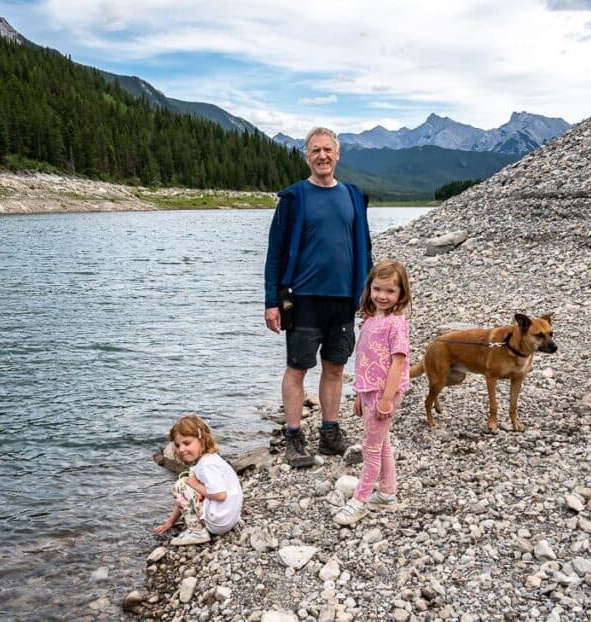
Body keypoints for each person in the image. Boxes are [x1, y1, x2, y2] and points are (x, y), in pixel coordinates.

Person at [264, 127, 373, 468]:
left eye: (328, 149)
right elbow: (275, 254)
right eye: (315, 151)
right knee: (297, 368)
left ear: (337, 154)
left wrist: (368, 297)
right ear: (307, 157)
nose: (322, 156)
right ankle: (294, 437)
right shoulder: (294, 199)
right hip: (303, 298)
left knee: (335, 368)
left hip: (344, 299)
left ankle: (329, 433)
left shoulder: (354, 196)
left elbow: (364, 250)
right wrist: (271, 301)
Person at [333, 260, 412, 526]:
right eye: (377, 289)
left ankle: (360, 499)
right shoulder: (370, 320)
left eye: (390, 291)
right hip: (369, 390)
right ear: (369, 289)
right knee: (383, 442)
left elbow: (398, 362)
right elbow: (367, 361)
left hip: (383, 393)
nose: (382, 296)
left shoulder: (396, 323)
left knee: (371, 447)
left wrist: (387, 398)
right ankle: (387, 493)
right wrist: (359, 394)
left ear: (401, 293)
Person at [153, 414, 243, 545]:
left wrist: (193, 484)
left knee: (181, 485)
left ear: (202, 440)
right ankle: (205, 523)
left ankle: (197, 532)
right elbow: (185, 499)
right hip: (229, 519)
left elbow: (220, 495)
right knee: (188, 486)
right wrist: (170, 522)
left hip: (219, 523)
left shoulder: (207, 465)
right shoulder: (211, 459)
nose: (181, 449)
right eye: (177, 445)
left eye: (187, 443)